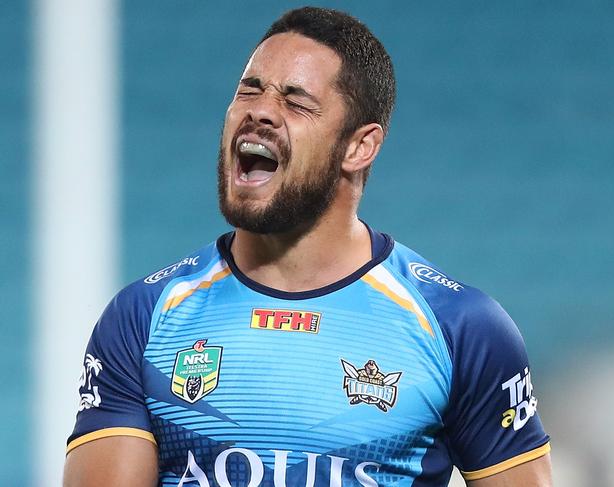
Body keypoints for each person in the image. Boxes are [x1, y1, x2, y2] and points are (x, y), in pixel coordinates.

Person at [63, 7, 552, 487]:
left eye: (295, 102)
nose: (259, 111)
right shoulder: (144, 317)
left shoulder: (460, 327)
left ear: (360, 146)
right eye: (248, 90)